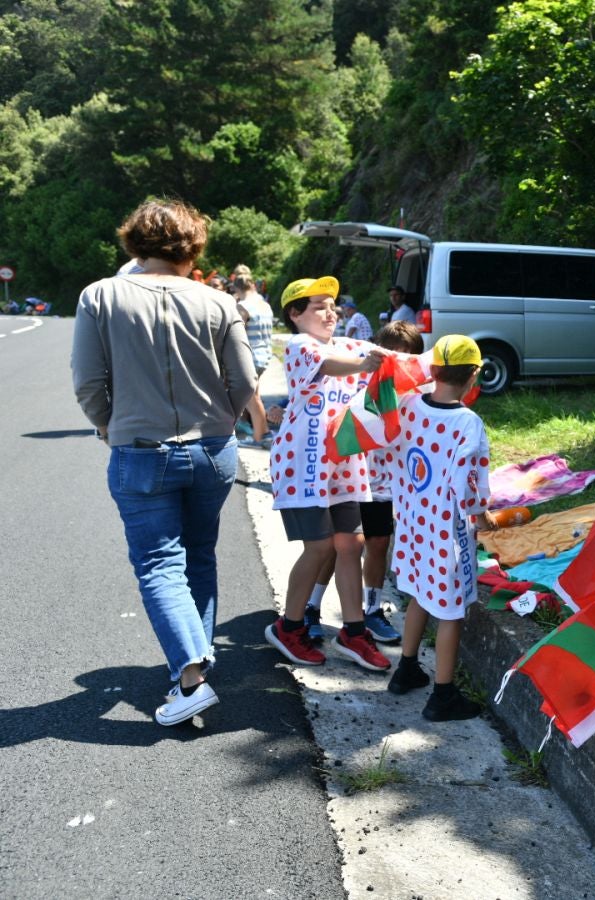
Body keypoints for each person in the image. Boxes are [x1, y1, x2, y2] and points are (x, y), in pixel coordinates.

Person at [71, 198, 257, 726]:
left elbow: (88, 381)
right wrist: (223, 419)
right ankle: (196, 662)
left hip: (141, 449)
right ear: (193, 245)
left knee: (158, 564)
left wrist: (110, 424)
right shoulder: (218, 303)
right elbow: (244, 381)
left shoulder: (100, 296)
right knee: (199, 554)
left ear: (133, 241)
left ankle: (191, 677)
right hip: (213, 450)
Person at [263, 275, 392, 673]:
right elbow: (336, 365)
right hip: (304, 467)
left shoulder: (348, 345)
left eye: (332, 305)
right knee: (319, 548)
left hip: (343, 466)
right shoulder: (300, 346)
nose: (330, 312)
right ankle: (289, 626)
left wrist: (430, 364)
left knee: (351, 545)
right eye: (319, 305)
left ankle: (354, 631)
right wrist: (366, 363)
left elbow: (386, 355)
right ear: (295, 314)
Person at [384, 334, 489, 721]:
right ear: (473, 375)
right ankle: (443, 695)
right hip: (448, 528)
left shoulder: (410, 405)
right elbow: (473, 478)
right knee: (451, 610)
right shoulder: (467, 421)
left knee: (417, 594)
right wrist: (480, 513)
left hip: (413, 523)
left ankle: (406, 669)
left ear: (434, 370)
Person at [357, 320, 424, 644]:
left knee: (378, 544)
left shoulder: (418, 392)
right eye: (392, 353)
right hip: (353, 479)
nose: (399, 360)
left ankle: (371, 611)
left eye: (407, 355)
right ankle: (310, 608)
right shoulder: (361, 380)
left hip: (391, 484)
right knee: (338, 546)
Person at [233, 268, 274, 447]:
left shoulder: (243, 307)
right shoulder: (264, 304)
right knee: (254, 395)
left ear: (238, 289)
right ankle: (261, 433)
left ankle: (261, 436)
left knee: (251, 399)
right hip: (264, 355)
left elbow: (236, 332)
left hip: (250, 356)